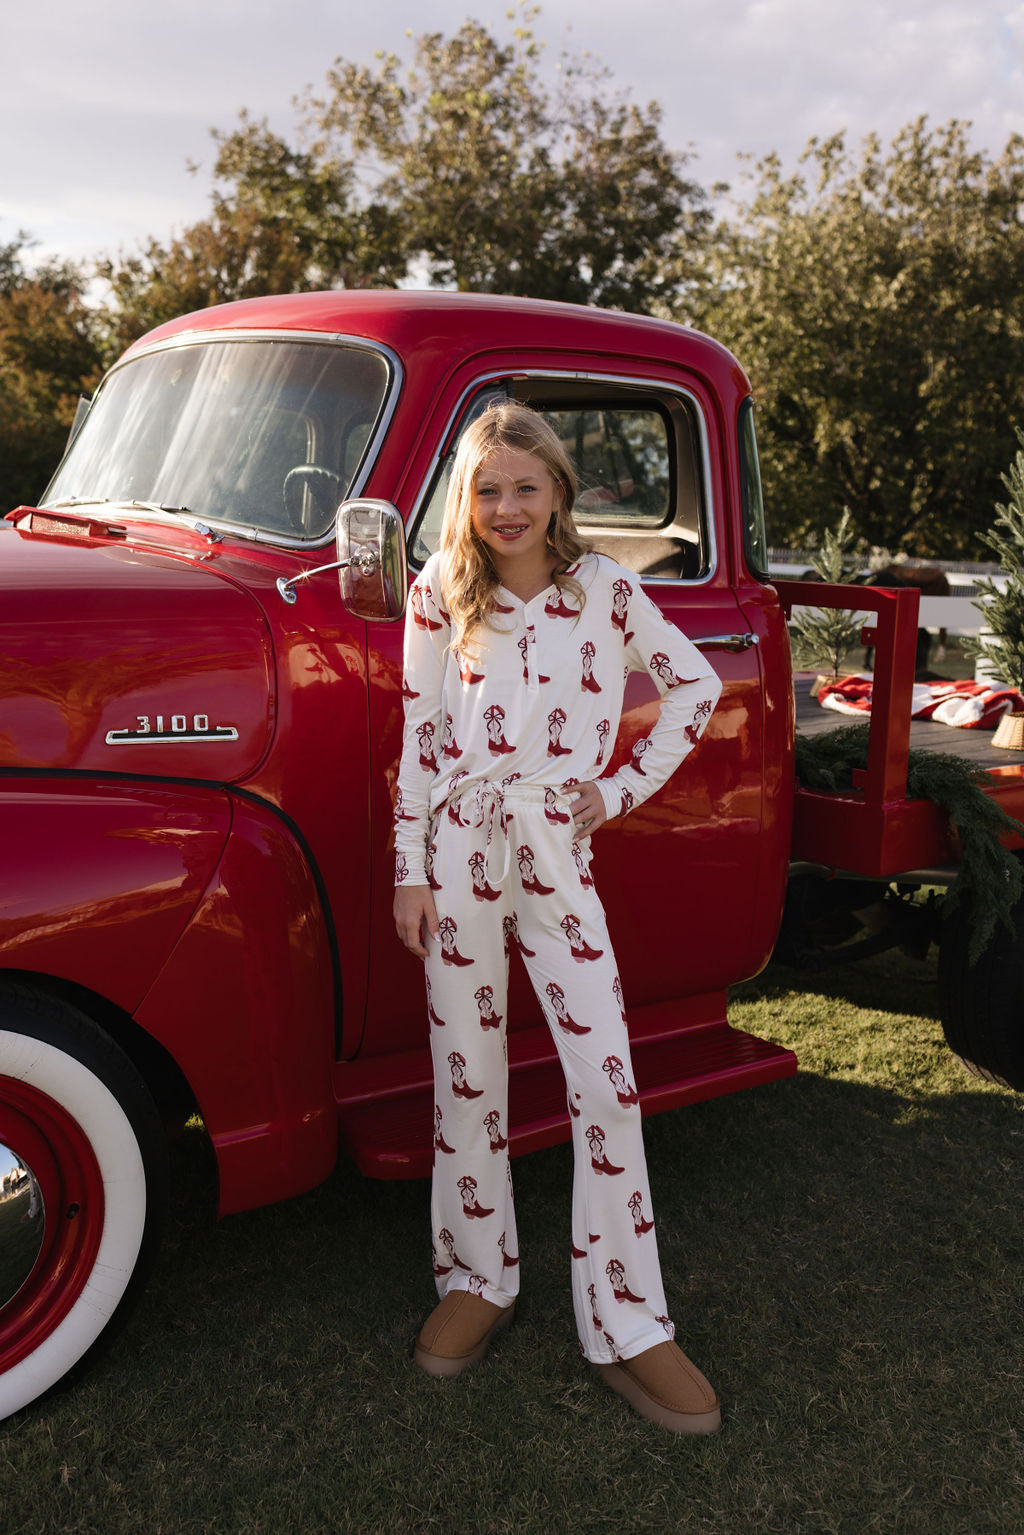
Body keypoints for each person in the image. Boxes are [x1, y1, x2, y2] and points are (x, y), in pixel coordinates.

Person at [392, 402, 723, 1435]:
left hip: (556, 851)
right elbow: (419, 741)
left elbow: (694, 687)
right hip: (458, 851)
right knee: (467, 1072)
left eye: (524, 487)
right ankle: (477, 1278)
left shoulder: (606, 590)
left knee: (606, 1080)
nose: (505, 507)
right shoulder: (439, 591)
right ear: (465, 497)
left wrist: (615, 791)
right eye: (486, 488)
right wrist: (411, 869)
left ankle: (627, 1320)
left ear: (559, 493)